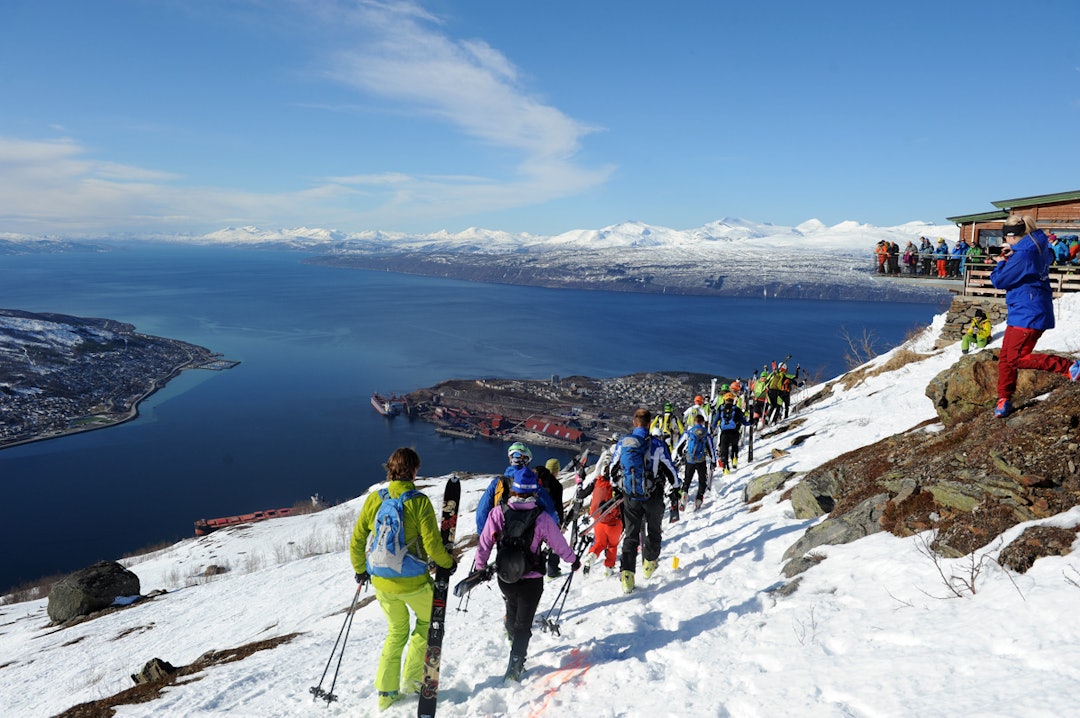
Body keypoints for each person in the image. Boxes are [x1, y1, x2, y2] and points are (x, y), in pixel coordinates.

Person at [349, 447, 456, 711]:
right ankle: (413, 680)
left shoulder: (375, 499)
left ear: (390, 468)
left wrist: (360, 568)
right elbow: (432, 544)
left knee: (396, 632)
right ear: (415, 470)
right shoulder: (418, 501)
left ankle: (386, 693)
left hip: (382, 582)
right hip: (413, 582)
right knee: (427, 622)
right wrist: (448, 563)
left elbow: (358, 538)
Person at [473, 466, 580, 682]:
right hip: (531, 581)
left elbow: (484, 542)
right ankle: (515, 665)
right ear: (534, 490)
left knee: (512, 609)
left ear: (514, 489)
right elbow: (558, 544)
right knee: (525, 625)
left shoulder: (498, 513)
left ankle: (512, 635)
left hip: (505, 577)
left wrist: (479, 567)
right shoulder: (541, 517)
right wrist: (573, 561)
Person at [989, 214, 1080, 418]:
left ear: (1013, 236)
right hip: (1030, 308)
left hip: (1027, 312)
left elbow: (1000, 280)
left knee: (1017, 359)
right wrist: (1013, 254)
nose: (1006, 241)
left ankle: (1070, 367)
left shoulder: (1023, 256)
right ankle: (1004, 398)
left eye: (1007, 237)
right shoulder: (1038, 247)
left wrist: (1001, 262)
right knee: (1007, 358)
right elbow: (1045, 259)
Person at [612, 408, 679, 595]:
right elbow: (670, 470)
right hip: (653, 495)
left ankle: (627, 576)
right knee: (654, 529)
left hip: (631, 496)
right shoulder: (657, 444)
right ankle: (649, 563)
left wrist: (620, 486)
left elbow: (612, 470)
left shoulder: (622, 444)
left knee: (631, 535)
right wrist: (676, 486)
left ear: (634, 423)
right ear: (650, 424)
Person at [474, 442, 558, 535]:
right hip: (529, 540)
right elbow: (550, 512)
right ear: (527, 460)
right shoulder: (534, 486)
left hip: (504, 539)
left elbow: (482, 511)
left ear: (510, 459)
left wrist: (482, 534)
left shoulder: (498, 483)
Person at [582, 465, 623, 577]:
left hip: (599, 521)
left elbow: (583, 494)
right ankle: (608, 569)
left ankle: (591, 557)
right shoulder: (616, 485)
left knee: (600, 543)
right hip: (613, 523)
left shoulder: (597, 481)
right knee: (612, 546)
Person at [672, 413, 715, 511]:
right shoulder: (706, 434)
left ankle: (684, 495)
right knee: (702, 480)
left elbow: (679, 446)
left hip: (690, 459)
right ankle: (698, 499)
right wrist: (713, 460)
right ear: (703, 422)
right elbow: (711, 448)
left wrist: (680, 455)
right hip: (701, 460)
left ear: (695, 422)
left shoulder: (689, 432)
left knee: (687, 479)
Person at [535, 458, 566, 578]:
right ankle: (552, 571)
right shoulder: (556, 485)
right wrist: (561, 522)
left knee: (535, 544)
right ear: (556, 470)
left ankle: (534, 569)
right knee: (554, 543)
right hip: (550, 520)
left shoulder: (536, 480)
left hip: (534, 517)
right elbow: (558, 506)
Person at [715, 392, 751, 474]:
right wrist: (751, 422)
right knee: (735, 445)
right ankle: (734, 458)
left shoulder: (721, 409)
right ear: (733, 400)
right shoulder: (737, 409)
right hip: (735, 432)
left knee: (724, 450)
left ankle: (726, 468)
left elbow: (715, 421)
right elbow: (744, 422)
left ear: (725, 400)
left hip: (724, 433)